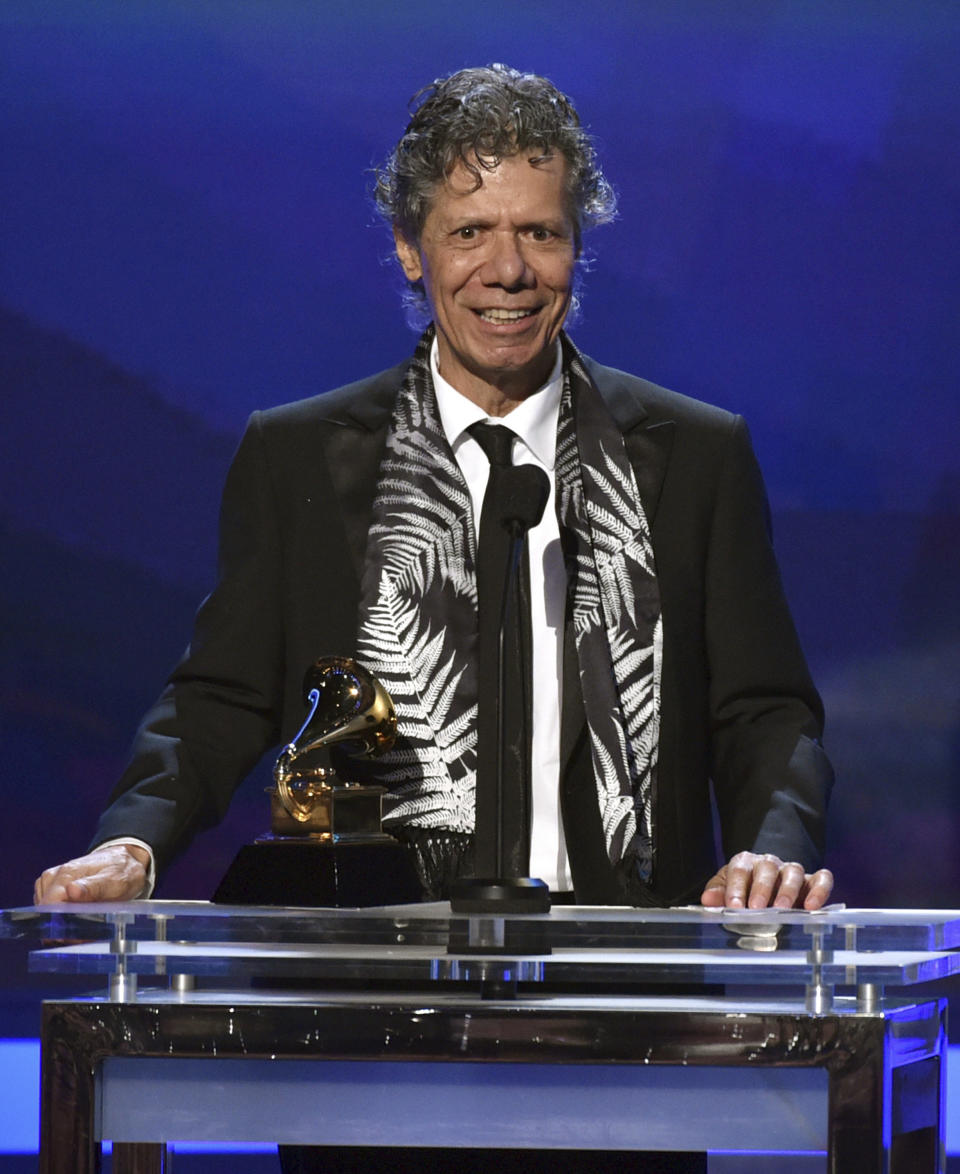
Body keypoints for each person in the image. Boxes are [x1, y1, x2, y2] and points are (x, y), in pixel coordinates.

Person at [34, 61, 834, 1174]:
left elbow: (765, 710)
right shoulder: (302, 457)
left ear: (577, 248)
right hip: (366, 1031)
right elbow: (220, 694)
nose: (508, 271)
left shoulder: (694, 458)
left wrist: (768, 851)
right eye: (470, 234)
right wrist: (136, 836)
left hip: (632, 1039)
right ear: (412, 248)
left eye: (541, 235)